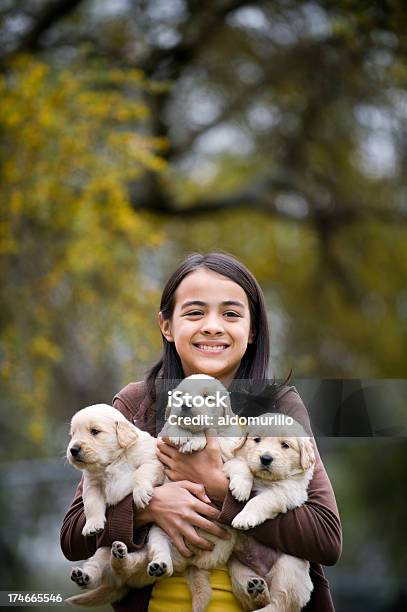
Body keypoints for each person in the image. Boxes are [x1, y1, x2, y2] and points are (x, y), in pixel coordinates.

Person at [61, 251, 342, 611]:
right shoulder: (137, 404)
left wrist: (218, 486)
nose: (212, 326)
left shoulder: (277, 407)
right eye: (195, 312)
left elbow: (326, 538)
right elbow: (73, 537)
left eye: (231, 314)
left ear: (252, 329)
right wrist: (149, 508)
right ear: (166, 325)